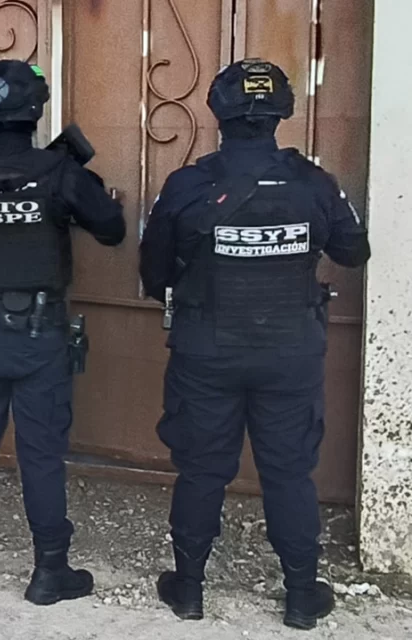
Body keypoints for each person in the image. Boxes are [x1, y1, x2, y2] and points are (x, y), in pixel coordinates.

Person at [139, 58, 370, 630]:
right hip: (289, 351)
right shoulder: (314, 184)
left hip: (206, 352)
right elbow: (353, 252)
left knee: (202, 470)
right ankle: (301, 597)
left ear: (218, 112)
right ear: (281, 113)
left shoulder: (188, 186)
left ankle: (189, 591)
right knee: (289, 473)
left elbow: (154, 275)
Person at [0, 60, 125, 603]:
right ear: (35, 108)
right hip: (38, 333)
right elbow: (112, 229)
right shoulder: (60, 173)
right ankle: (49, 571)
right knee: (40, 454)